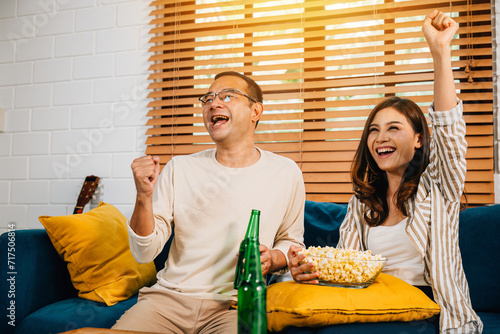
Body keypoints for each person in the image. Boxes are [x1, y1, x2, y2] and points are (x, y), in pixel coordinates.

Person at [287, 10, 483, 333]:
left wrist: (440, 51)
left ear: (419, 139)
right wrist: (305, 267)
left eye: (394, 128)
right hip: (374, 304)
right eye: (374, 131)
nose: (381, 138)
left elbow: (449, 129)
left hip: (427, 309)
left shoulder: (439, 188)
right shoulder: (362, 203)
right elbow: (343, 268)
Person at [112, 71, 305, 333]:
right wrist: (143, 197)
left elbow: (292, 240)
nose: (214, 103)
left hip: (236, 306)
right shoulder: (180, 168)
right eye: (207, 99)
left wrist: (272, 257)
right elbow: (144, 252)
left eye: (227, 96)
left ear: (255, 111)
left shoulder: (286, 172)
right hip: (167, 302)